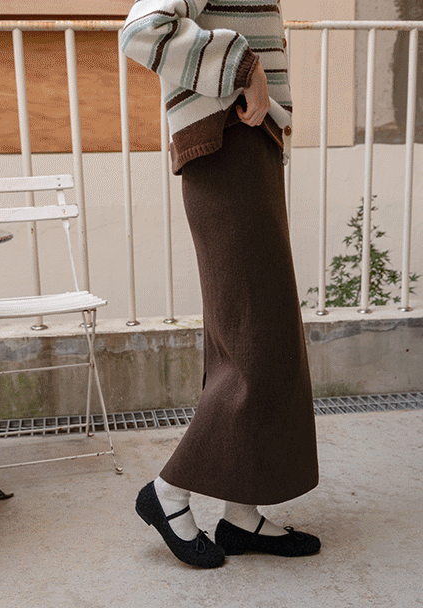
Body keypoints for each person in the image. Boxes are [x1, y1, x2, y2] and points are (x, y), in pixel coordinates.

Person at [121, 0, 320, 569]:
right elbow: (142, 29)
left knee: (248, 337)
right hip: (225, 145)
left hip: (247, 146)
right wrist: (243, 65)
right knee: (259, 342)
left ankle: (241, 514)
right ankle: (168, 493)